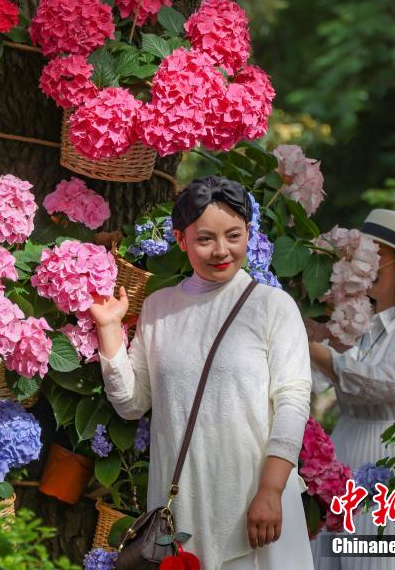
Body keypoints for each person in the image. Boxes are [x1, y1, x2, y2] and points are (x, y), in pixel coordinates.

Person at [89, 176, 314, 570]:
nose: (221, 250)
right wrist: (109, 329)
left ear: (249, 233)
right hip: (182, 510)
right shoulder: (160, 308)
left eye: (234, 235)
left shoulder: (272, 306)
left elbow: (293, 402)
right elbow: (131, 403)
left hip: (255, 504)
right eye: (205, 239)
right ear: (180, 239)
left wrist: (271, 489)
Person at [308, 209, 395, 570]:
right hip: (341, 453)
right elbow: (312, 380)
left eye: (377, 258)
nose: (365, 268)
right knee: (330, 557)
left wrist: (311, 345)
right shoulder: (348, 320)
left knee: (375, 560)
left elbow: (383, 384)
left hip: (391, 462)